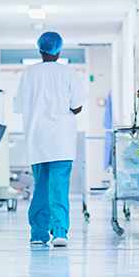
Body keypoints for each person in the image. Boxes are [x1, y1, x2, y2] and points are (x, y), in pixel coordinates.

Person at [16, 30, 84, 247]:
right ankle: (60, 233)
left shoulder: (29, 73)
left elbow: (19, 106)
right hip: (61, 141)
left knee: (41, 186)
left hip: (37, 139)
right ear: (59, 49)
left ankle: (38, 233)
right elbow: (77, 106)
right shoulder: (69, 73)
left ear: (39, 49)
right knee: (59, 187)